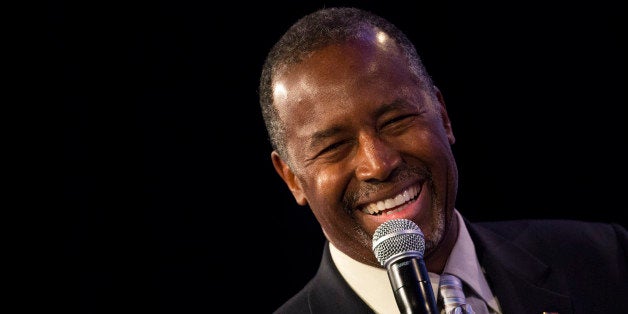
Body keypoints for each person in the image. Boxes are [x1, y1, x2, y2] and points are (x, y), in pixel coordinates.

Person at [257, 6, 628, 314]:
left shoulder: (603, 261)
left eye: (396, 121)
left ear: (443, 116)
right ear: (291, 178)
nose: (379, 163)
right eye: (334, 146)